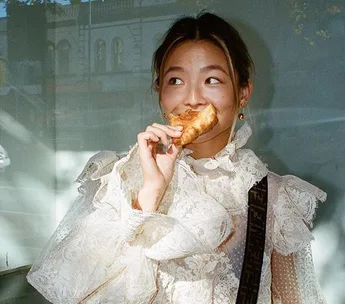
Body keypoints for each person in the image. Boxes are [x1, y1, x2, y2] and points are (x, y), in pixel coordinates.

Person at [27, 12, 327, 304]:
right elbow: (76, 291)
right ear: (160, 92)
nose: (193, 98)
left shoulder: (272, 196)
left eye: (212, 80)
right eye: (175, 81)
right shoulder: (120, 182)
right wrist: (151, 193)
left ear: (243, 92)